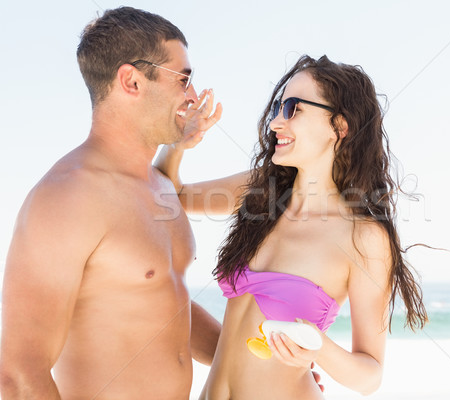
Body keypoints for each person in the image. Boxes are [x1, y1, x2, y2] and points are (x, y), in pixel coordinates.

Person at [157, 55, 428, 399]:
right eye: (277, 108)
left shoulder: (363, 237)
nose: (275, 123)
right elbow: (166, 197)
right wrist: (176, 145)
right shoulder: (260, 192)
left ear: (339, 127)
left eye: (294, 108)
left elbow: (370, 374)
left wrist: (319, 351)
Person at [0, 7, 226, 399]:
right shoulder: (67, 196)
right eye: (183, 80)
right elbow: (20, 375)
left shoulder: (159, 186)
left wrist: (262, 362)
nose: (192, 95)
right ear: (132, 81)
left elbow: (165, 310)